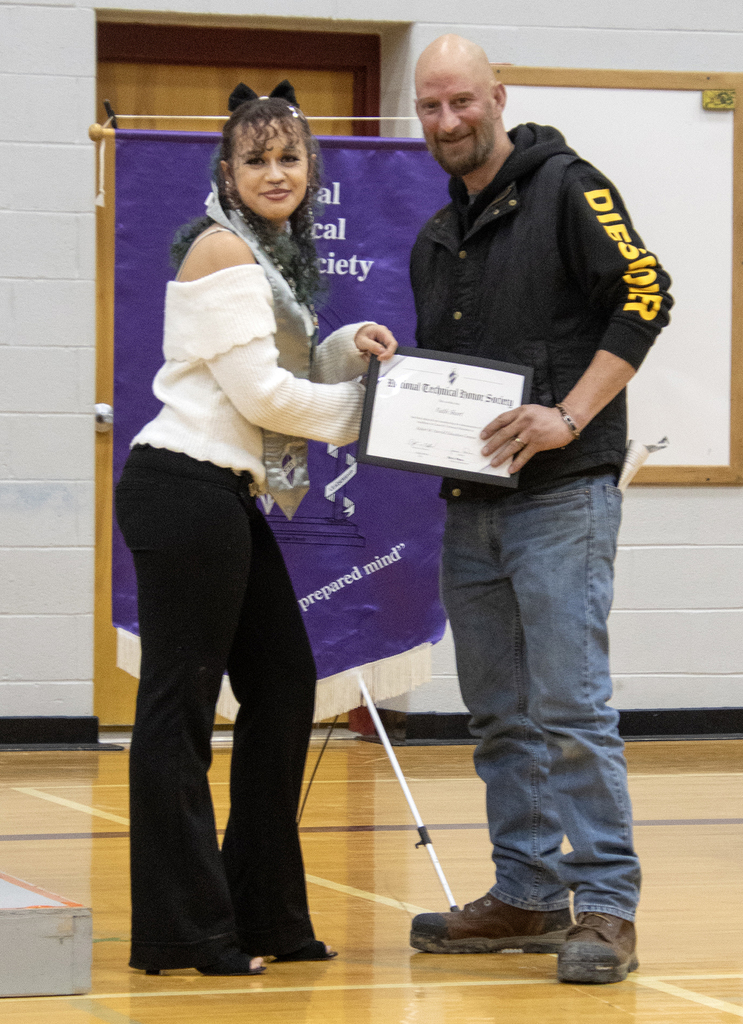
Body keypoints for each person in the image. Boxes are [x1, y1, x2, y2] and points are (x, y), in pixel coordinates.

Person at [114, 84, 397, 977]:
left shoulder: (271, 256)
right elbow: (265, 399)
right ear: (227, 175)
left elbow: (287, 372)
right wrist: (375, 413)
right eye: (256, 158)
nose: (275, 171)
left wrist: (350, 345)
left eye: (289, 157)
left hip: (224, 492)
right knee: (180, 713)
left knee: (282, 689)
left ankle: (263, 915)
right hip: (183, 486)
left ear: (309, 169)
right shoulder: (223, 248)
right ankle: (184, 931)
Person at [407, 36, 672, 984]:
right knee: (497, 718)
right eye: (429, 108)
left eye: (460, 103)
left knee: (569, 709)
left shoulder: (569, 185)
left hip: (562, 501)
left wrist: (567, 416)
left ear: (497, 98)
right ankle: (524, 891)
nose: (447, 122)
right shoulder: (435, 238)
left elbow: (646, 294)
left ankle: (603, 906)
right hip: (469, 510)